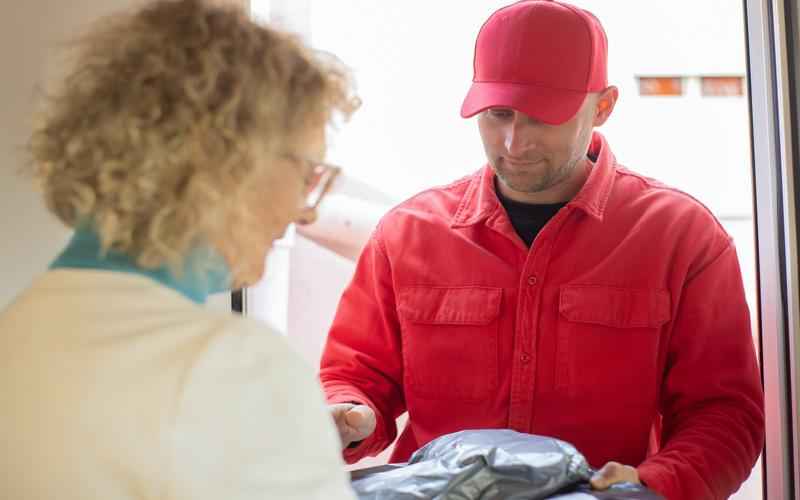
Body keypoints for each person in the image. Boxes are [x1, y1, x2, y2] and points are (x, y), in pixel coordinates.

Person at [319, 1, 764, 499]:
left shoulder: (684, 237)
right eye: (497, 115)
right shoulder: (406, 234)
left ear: (603, 107)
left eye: (541, 118)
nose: (514, 142)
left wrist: (652, 484)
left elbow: (725, 415)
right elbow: (353, 377)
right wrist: (348, 413)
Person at [0, 1, 358, 499]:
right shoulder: (235, 365)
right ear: (229, 162)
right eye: (307, 173)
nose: (307, 211)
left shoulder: (16, 333)